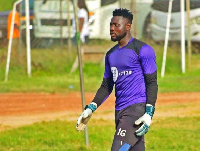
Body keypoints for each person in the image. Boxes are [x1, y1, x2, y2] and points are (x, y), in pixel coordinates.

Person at [76, 8, 158, 151]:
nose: (112, 29)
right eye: (111, 25)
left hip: (135, 110)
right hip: (119, 111)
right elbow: (106, 85)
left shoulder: (143, 50)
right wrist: (90, 108)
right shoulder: (110, 54)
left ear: (127, 26)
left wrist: (149, 113)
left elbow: (152, 82)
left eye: (116, 25)